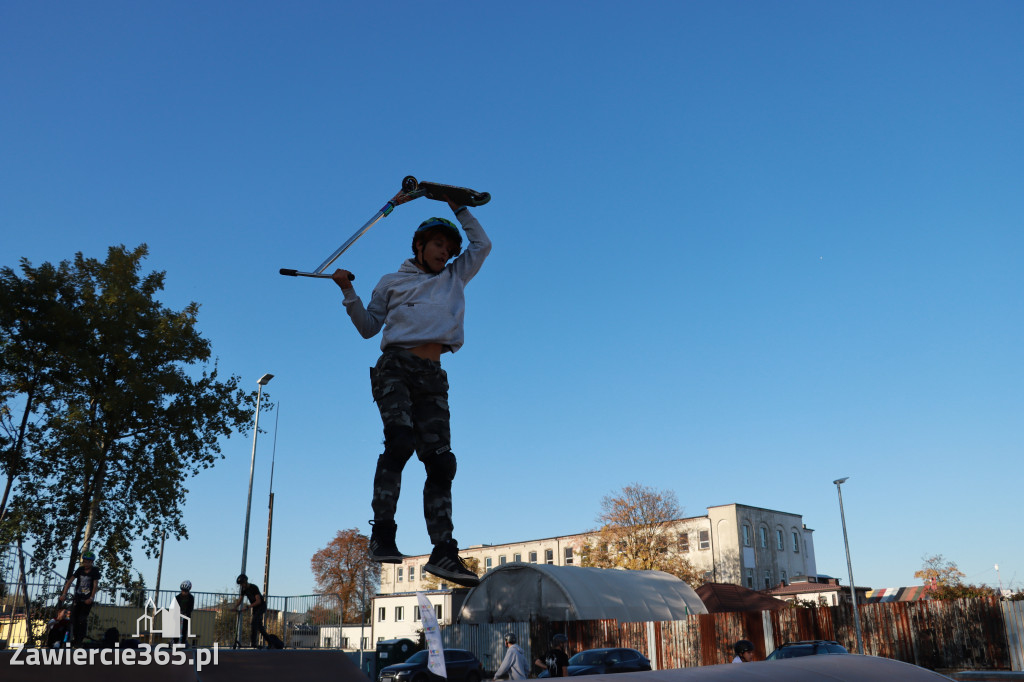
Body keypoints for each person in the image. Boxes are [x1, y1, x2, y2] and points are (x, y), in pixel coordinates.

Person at [332, 196, 491, 589]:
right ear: (419, 246)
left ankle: (443, 552)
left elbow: (482, 245)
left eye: (450, 248)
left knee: (441, 463)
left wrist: (459, 206)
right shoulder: (392, 282)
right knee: (400, 440)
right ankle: (383, 533)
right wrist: (348, 291)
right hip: (396, 367)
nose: (446, 252)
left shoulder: (455, 276)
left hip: (433, 375)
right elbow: (369, 327)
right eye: (438, 245)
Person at [58, 549, 101, 646]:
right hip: (78, 597)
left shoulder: (94, 571)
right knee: (73, 618)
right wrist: (64, 594)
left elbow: (95, 585)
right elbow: (69, 581)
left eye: (88, 562)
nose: (86, 564)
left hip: (87, 599)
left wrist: (91, 598)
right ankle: (73, 638)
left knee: (82, 619)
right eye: (85, 562)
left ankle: (80, 639)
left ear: (92, 562)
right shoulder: (80, 570)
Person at [234, 574, 269, 648]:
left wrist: (247, 607)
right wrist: (235, 607)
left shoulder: (254, 587)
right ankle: (270, 641)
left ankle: (253, 643)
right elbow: (240, 599)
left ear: (246, 581)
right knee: (259, 626)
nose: (242, 585)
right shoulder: (243, 590)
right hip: (255, 608)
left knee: (254, 623)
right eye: (240, 585)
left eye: (242, 584)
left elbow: (258, 601)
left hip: (261, 606)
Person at [176, 580, 195, 645]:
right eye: (183, 591)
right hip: (178, 615)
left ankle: (183, 641)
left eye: (186, 591)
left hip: (186, 615)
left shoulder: (191, 598)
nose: (184, 592)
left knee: (184, 628)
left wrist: (186, 613)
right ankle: (175, 641)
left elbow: (191, 607)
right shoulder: (177, 597)